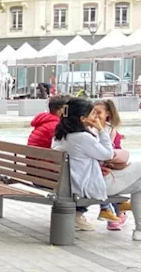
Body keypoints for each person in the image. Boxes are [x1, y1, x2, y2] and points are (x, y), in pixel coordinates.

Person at [52, 97, 141, 237]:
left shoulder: (60, 135)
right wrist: (101, 130)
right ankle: (139, 230)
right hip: (87, 186)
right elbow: (108, 154)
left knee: (140, 184)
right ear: (82, 118)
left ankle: (139, 231)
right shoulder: (82, 137)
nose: (95, 117)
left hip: (70, 184)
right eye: (92, 113)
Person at [92, 99, 130, 228]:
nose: (96, 115)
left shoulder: (110, 130)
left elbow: (109, 152)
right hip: (100, 165)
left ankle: (112, 209)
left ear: (107, 113)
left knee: (102, 178)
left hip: (108, 165)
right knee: (99, 177)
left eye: (99, 112)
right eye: (93, 112)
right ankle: (116, 207)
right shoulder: (90, 128)